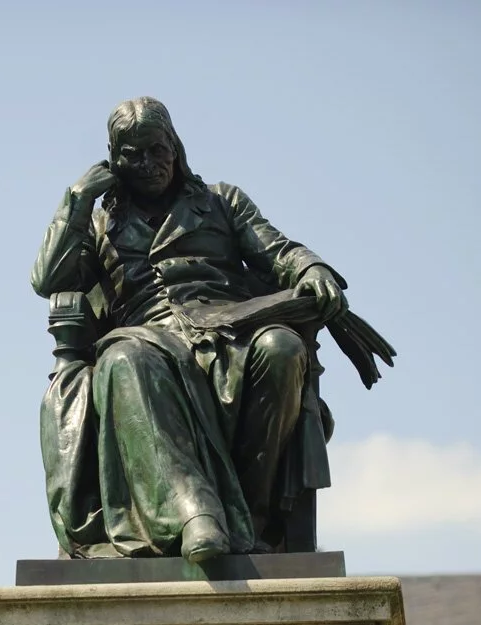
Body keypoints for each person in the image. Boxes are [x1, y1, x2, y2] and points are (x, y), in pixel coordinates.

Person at [32, 97, 356, 563]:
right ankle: (193, 514)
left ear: (176, 147)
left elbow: (277, 249)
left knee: (282, 347)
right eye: (132, 154)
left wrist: (311, 268)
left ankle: (253, 521)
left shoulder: (221, 201)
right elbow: (48, 280)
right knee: (125, 360)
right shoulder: (99, 220)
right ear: (113, 158)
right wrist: (78, 200)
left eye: (157, 150)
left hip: (229, 330)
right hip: (147, 337)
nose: (147, 164)